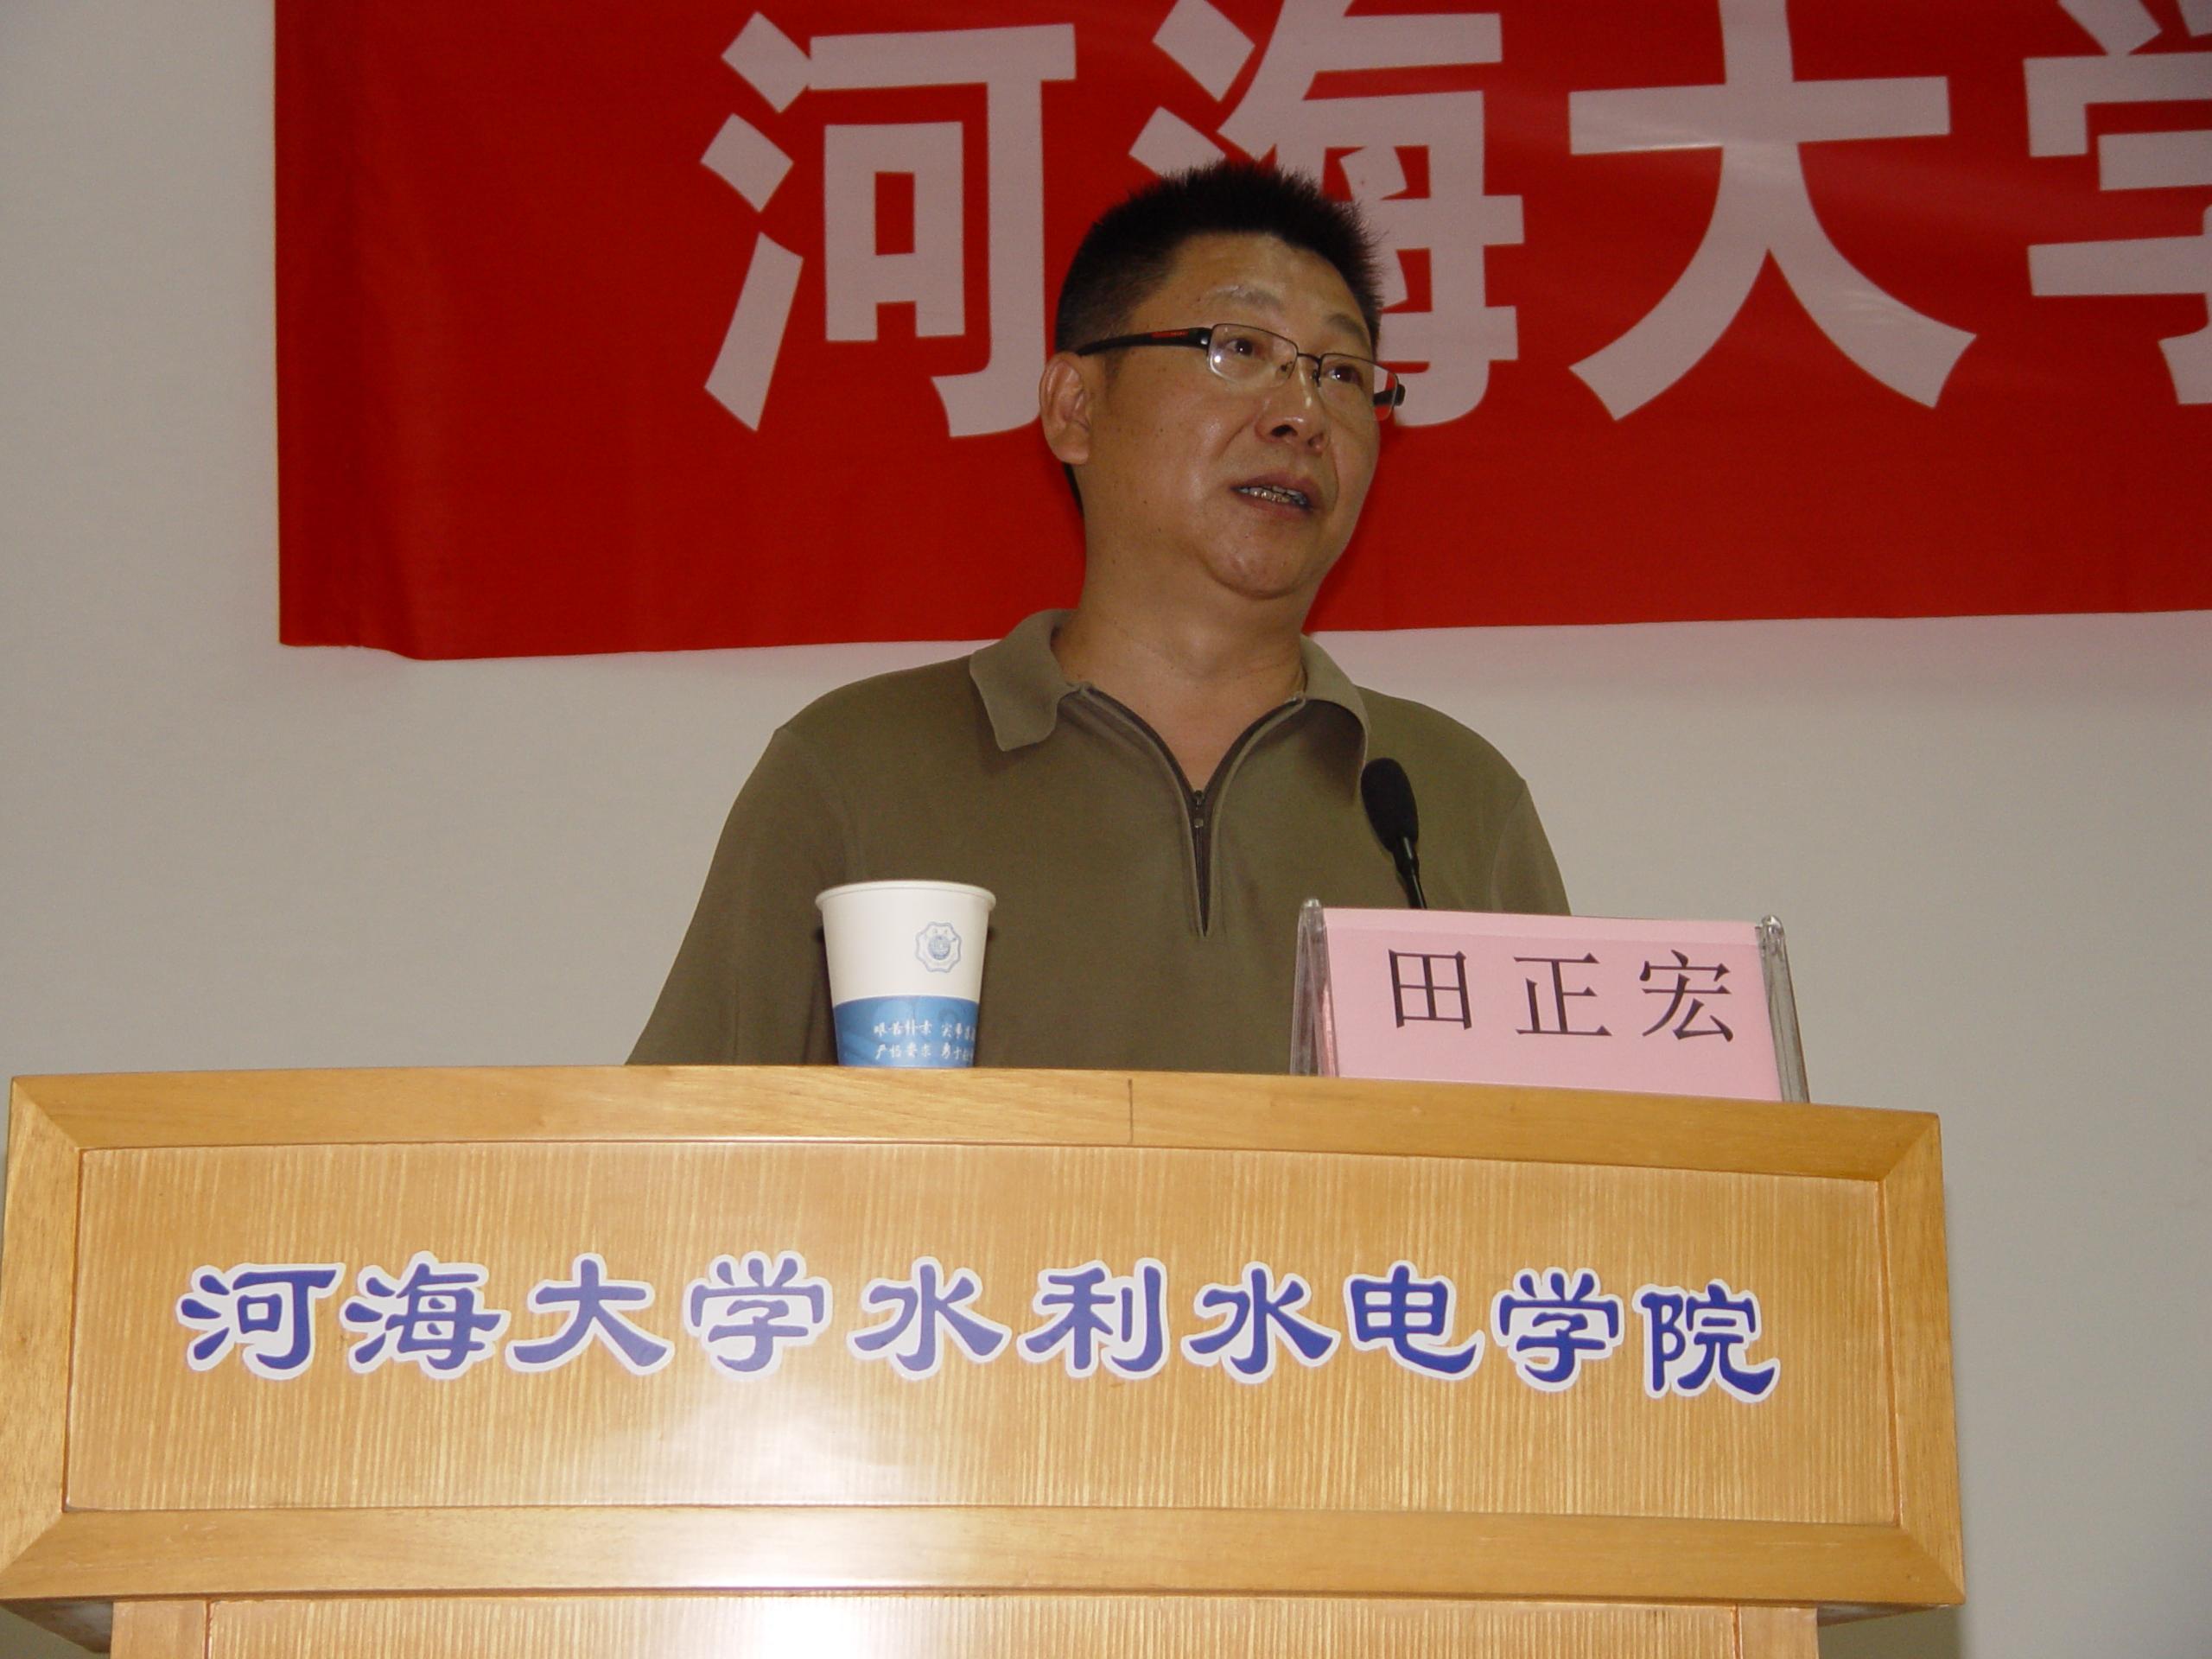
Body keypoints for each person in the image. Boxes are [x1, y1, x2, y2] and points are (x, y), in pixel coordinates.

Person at [631, 161, 1567, 1071]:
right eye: (1240, 349)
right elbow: (677, 1153)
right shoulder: (855, 771)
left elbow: (1580, 1160)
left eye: (1345, 374)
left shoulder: (1453, 804)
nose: (1303, 414)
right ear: (1074, 407)